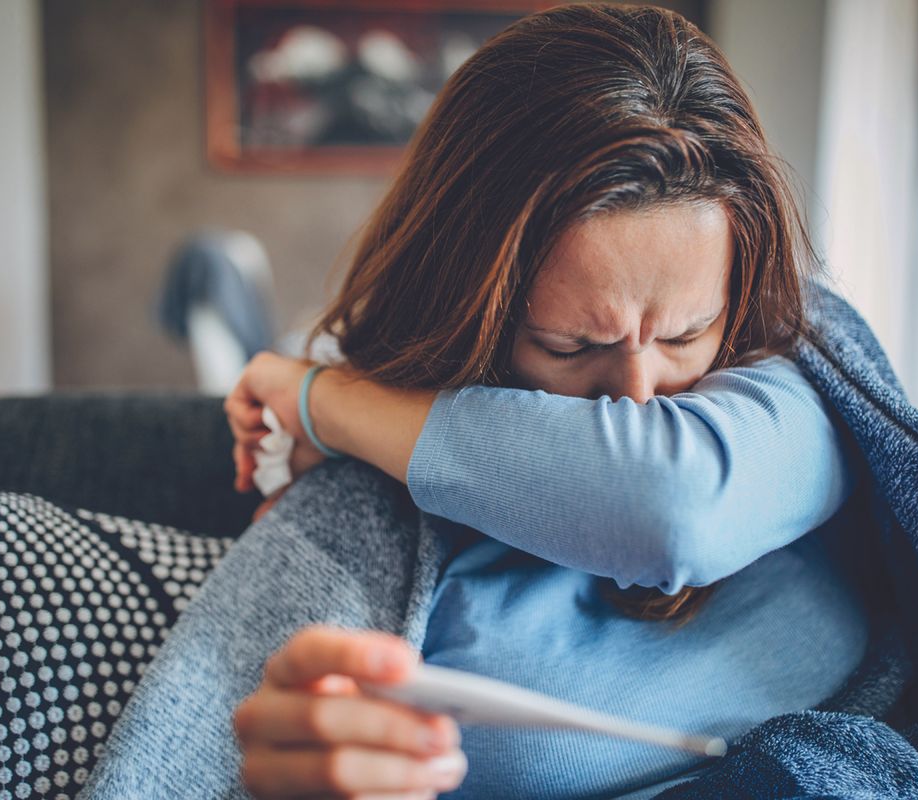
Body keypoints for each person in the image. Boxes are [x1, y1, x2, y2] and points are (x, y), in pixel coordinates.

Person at [221, 4, 868, 798]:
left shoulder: (798, 383)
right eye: (571, 347)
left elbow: (669, 504)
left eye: (685, 335)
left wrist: (326, 401)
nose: (638, 399)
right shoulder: (369, 507)